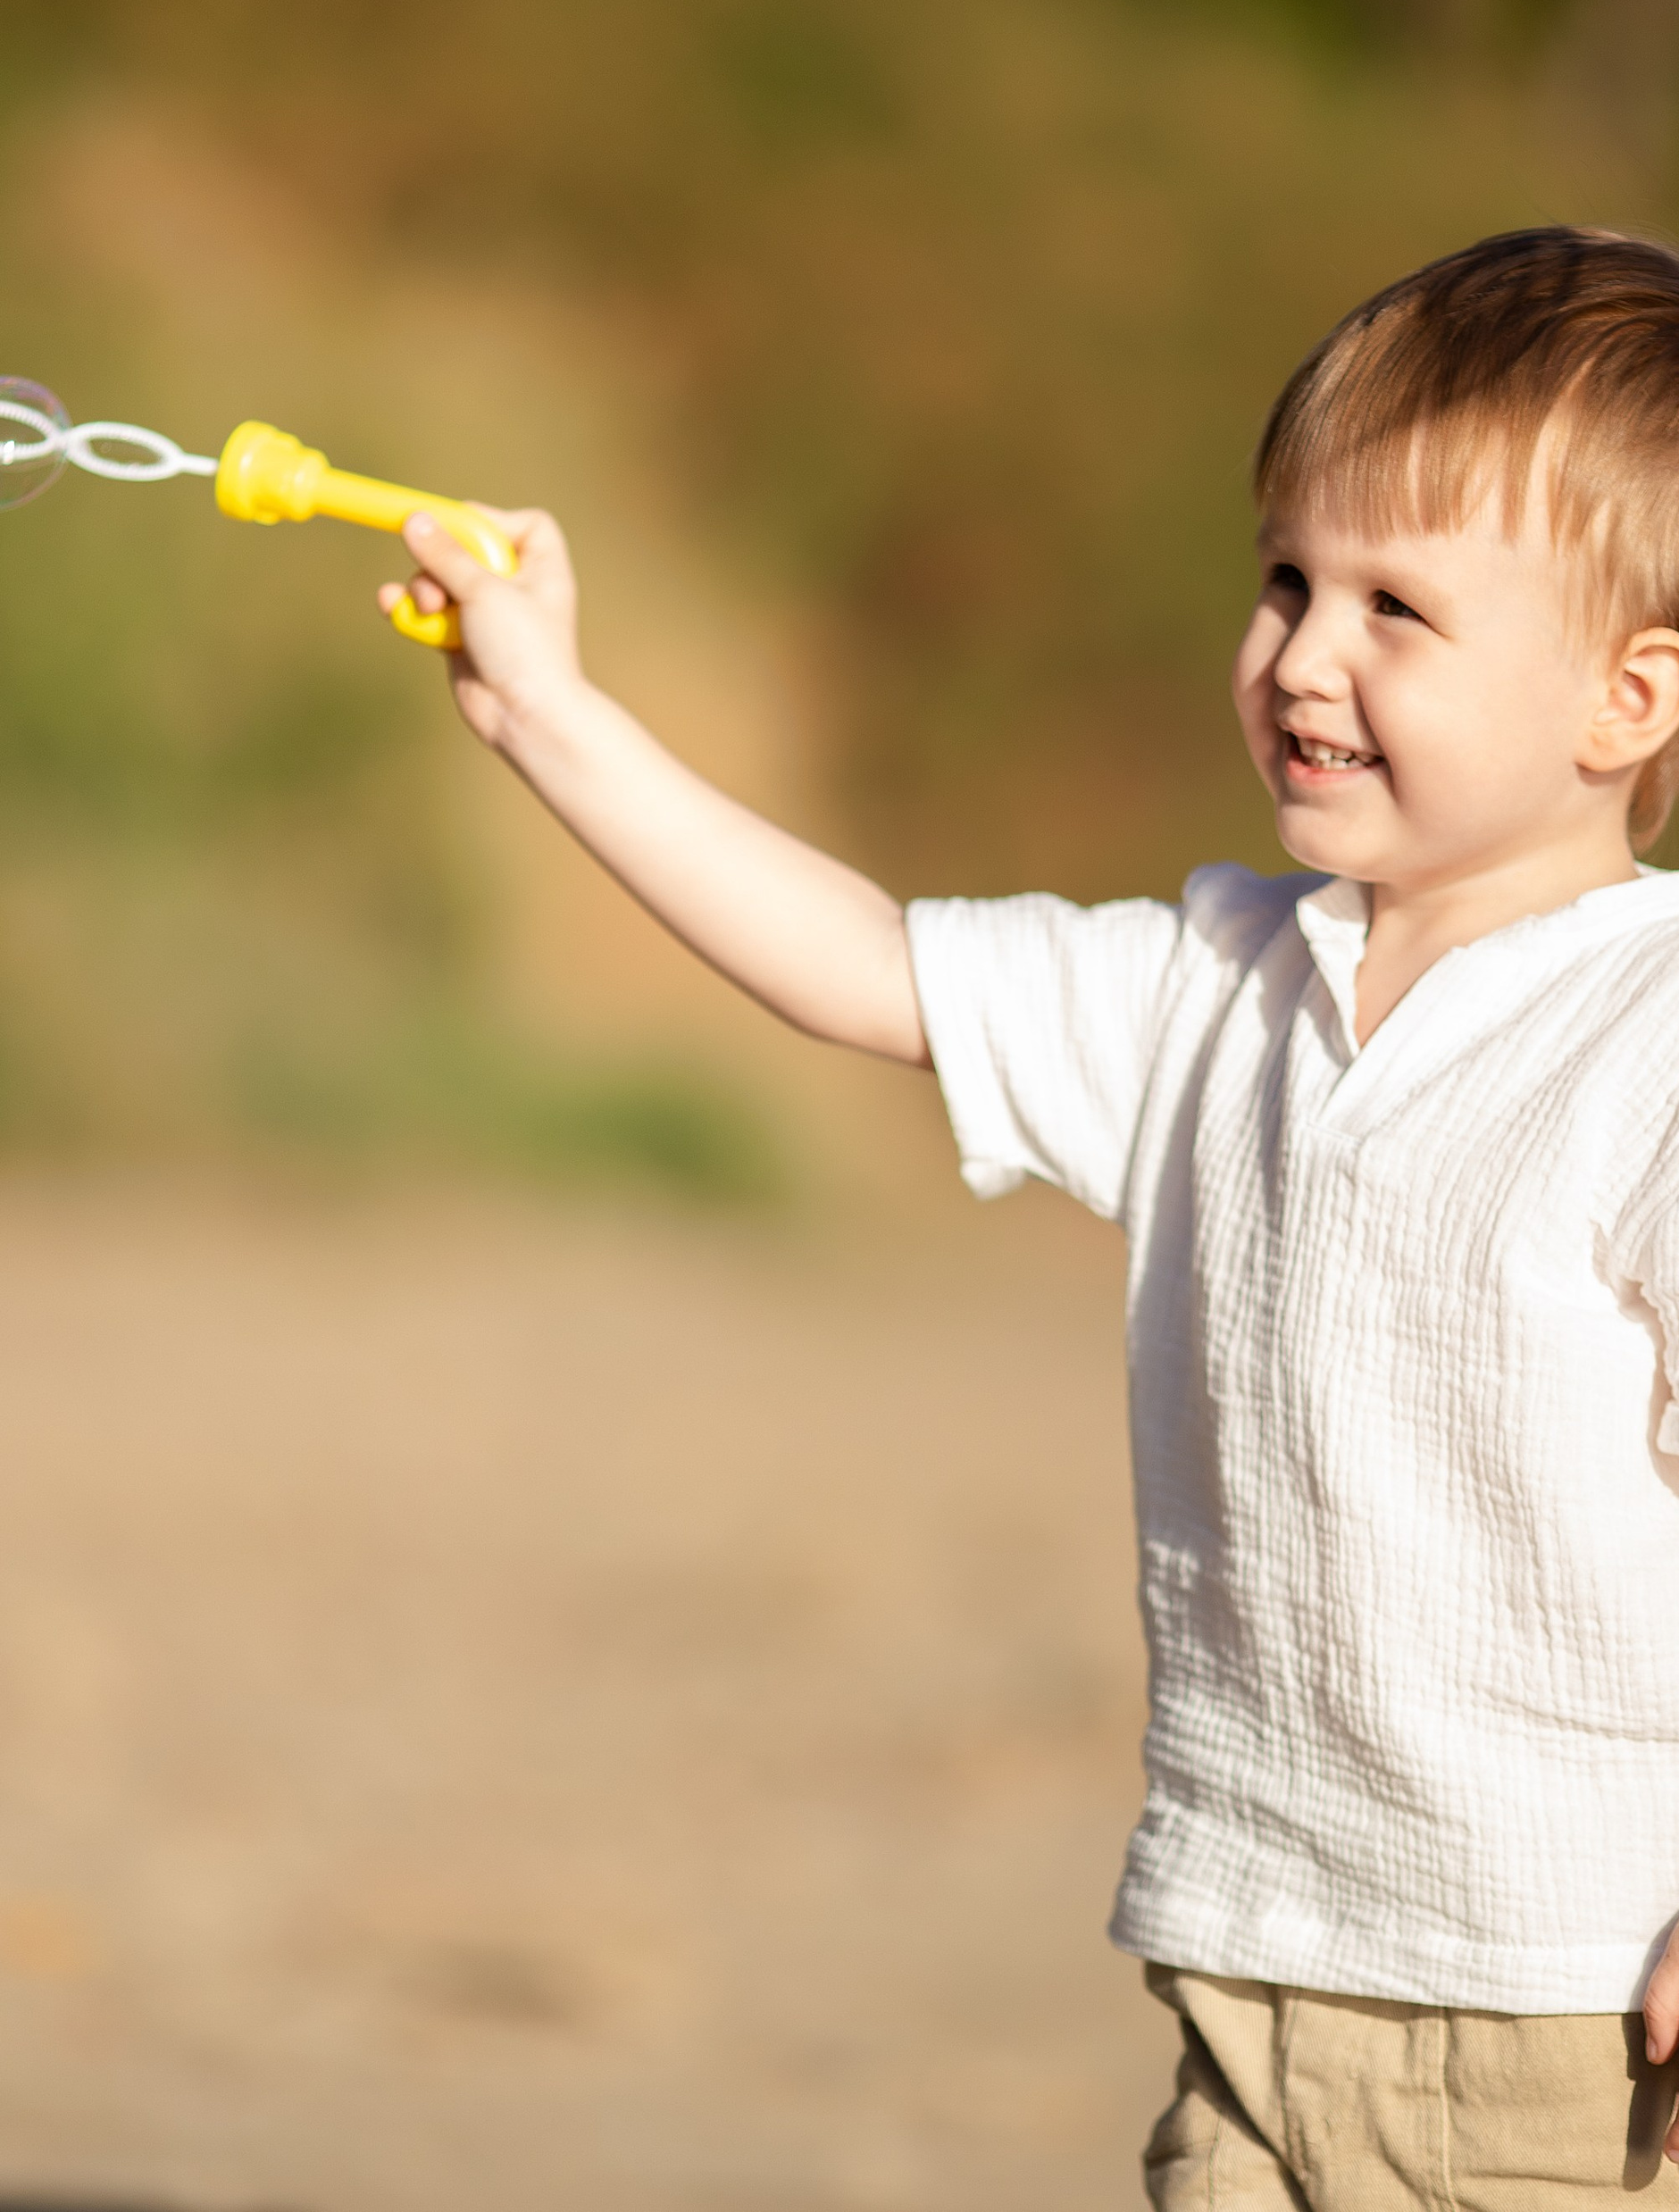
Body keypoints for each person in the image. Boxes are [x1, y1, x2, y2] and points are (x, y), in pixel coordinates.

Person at [376, 226, 1679, 2208]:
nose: (1298, 655)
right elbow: (865, 966)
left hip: (1568, 2023)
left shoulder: (1644, 1040)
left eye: (1393, 607)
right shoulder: (1211, 983)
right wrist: (554, 713)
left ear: (1621, 698)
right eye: (1282, 578)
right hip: (1251, 1954)